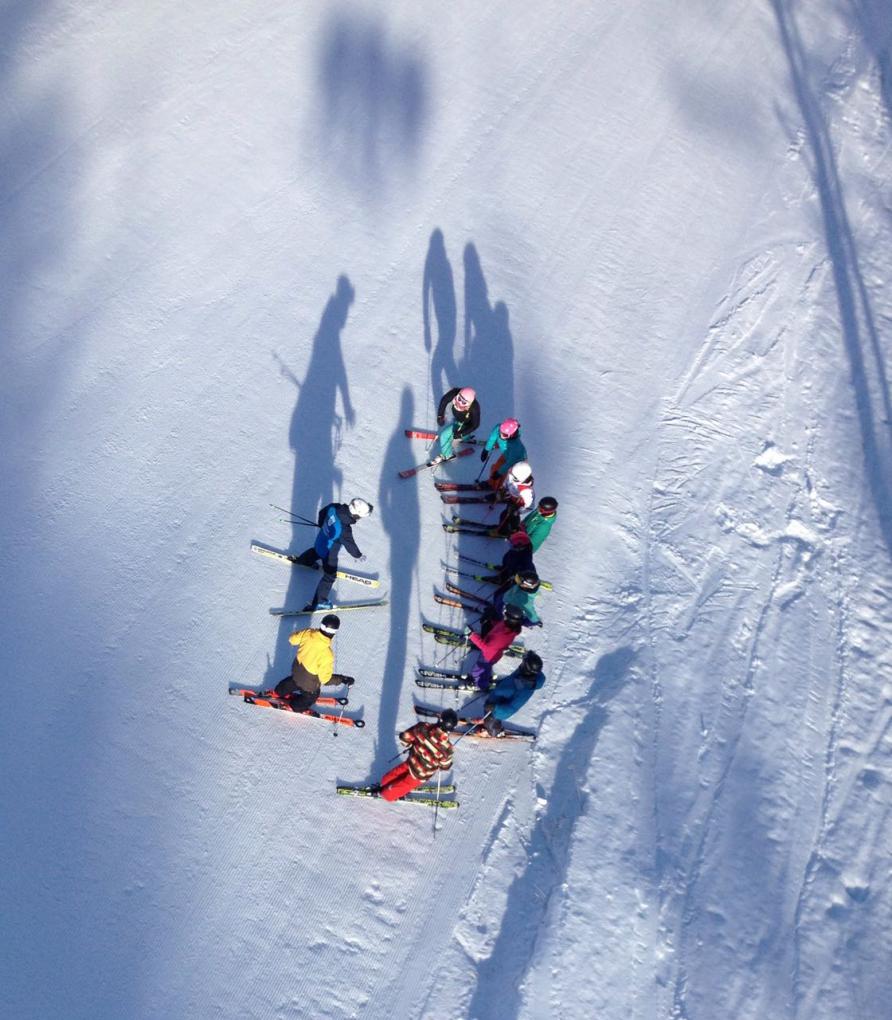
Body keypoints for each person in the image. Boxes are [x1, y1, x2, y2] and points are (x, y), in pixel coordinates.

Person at [294, 497, 373, 610]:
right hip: (329, 552)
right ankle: (319, 602)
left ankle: (303, 560)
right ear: (355, 515)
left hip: (321, 539)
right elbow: (350, 545)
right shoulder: (344, 530)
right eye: (360, 517)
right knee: (330, 575)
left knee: (316, 551)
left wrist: (322, 524)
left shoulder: (334, 507)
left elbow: (322, 512)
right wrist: (358, 555)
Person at [273, 614, 353, 712]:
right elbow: (325, 679)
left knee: (295, 681)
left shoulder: (308, 633)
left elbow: (292, 639)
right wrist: (342, 679)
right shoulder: (327, 654)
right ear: (334, 632)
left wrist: (304, 633)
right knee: (312, 695)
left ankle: (278, 691)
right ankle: (294, 706)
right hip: (309, 684)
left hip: (296, 671)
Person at [377, 710, 458, 801]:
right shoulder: (447, 749)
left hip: (411, 761)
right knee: (405, 784)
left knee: (396, 773)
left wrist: (410, 744)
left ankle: (384, 783)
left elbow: (405, 737)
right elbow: (445, 766)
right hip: (421, 774)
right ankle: (386, 794)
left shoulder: (423, 727)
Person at [482, 651, 545, 737]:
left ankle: (494, 731)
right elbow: (512, 679)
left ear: (526, 667)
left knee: (489, 720)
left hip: (497, 711)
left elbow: (511, 708)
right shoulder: (525, 673)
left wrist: (495, 708)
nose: (522, 662)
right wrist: (501, 683)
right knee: (487, 712)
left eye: (524, 662)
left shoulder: (524, 689)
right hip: (496, 699)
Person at [467, 603, 525, 689]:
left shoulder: (501, 636)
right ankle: (484, 678)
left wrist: (471, 635)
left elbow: (485, 647)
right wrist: (491, 621)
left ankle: (479, 684)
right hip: (493, 653)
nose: (504, 613)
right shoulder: (510, 626)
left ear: (510, 619)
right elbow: (499, 626)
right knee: (486, 669)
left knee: (478, 670)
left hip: (488, 656)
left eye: (506, 613)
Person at [429, 386, 480, 465]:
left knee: (444, 436)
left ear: (469, 403)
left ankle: (447, 455)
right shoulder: (454, 393)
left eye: (463, 402)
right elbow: (444, 401)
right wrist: (440, 416)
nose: (459, 402)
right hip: (457, 418)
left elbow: (475, 425)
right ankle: (465, 437)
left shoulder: (474, 408)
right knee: (458, 432)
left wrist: (461, 434)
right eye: (459, 398)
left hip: (464, 423)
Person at [491, 460, 535, 537]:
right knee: (508, 515)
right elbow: (508, 481)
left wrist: (518, 511)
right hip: (512, 499)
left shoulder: (526, 491)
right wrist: (503, 489)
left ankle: (503, 532)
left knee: (506, 516)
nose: (511, 475)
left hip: (517, 505)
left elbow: (529, 506)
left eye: (513, 476)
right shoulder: (513, 474)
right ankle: (512, 528)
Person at [480, 418, 527, 488]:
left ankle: (498, 488)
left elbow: (509, 463)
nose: (501, 436)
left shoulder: (516, 446)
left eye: (504, 435)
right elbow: (492, 438)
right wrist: (486, 450)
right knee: (496, 468)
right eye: (500, 432)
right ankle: (491, 483)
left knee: (504, 474)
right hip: (506, 454)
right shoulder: (498, 428)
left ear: (512, 435)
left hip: (517, 461)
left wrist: (499, 473)